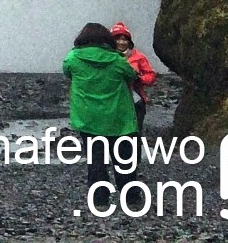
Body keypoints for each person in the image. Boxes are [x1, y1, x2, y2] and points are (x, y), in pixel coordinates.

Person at [62, 22, 139, 194]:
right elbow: (132, 75)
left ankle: (100, 198)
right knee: (124, 160)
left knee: (96, 159)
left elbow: (66, 72)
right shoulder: (117, 61)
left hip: (88, 118)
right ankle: (131, 198)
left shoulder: (73, 59)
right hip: (119, 119)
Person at [110, 22, 158, 135]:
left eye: (124, 39)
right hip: (113, 101)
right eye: (117, 39)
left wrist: (139, 78)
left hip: (135, 102)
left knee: (134, 134)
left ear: (129, 42)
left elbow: (151, 76)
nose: (121, 42)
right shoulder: (107, 57)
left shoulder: (139, 57)